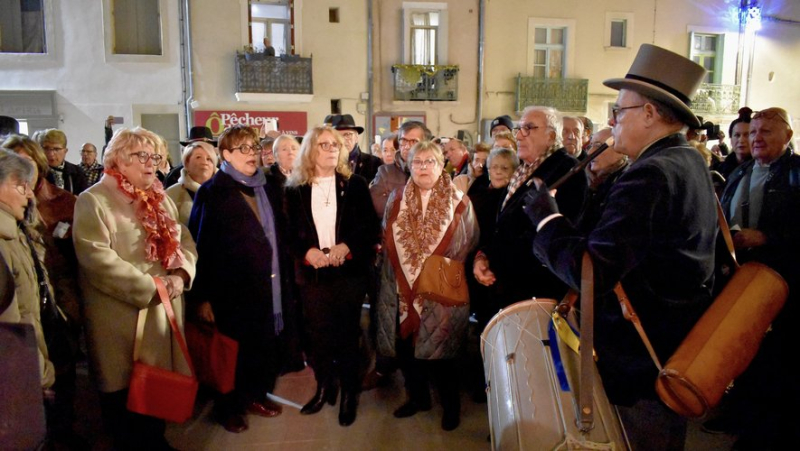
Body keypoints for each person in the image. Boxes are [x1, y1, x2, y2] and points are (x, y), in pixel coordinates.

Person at [523, 44, 716, 450]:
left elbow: (594, 272)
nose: (613, 122)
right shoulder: (687, 160)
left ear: (649, 113)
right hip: (672, 347)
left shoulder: (651, 174)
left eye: (619, 111)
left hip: (640, 364)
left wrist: (546, 220)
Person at [72, 127, 197, 450]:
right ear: (119, 159)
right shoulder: (94, 200)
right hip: (121, 320)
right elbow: (97, 259)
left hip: (162, 309)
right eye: (142, 155)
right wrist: (152, 286)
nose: (151, 163)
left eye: (155, 156)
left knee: (157, 388)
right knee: (125, 396)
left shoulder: (160, 198)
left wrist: (181, 275)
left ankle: (156, 441)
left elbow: (184, 241)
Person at [188, 124, 291, 433]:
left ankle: (256, 395)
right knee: (232, 352)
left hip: (267, 286)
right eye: (243, 149)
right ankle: (228, 407)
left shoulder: (267, 187)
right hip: (231, 291)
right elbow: (200, 246)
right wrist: (202, 297)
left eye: (254, 147)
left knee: (263, 346)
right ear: (225, 154)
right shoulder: (213, 192)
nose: (252, 154)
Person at [376, 140, 478, 431]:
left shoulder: (459, 201)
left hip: (440, 290)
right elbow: (387, 237)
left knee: (443, 354)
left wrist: (430, 269)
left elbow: (469, 242)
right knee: (408, 352)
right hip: (401, 290)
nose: (423, 167)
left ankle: (451, 408)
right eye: (417, 162)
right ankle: (418, 399)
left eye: (429, 162)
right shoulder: (397, 198)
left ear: (440, 165)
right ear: (409, 165)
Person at [284, 126, 380, 427]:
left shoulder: (355, 185)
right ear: (310, 150)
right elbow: (286, 233)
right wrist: (306, 252)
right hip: (312, 276)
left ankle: (350, 393)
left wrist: (347, 246)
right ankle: (325, 386)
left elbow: (369, 229)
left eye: (335, 145)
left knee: (348, 336)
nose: (330, 149)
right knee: (318, 337)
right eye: (323, 144)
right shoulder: (293, 188)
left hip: (348, 274)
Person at [716, 107, 800, 448]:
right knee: (742, 345)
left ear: (788, 136)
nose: (756, 138)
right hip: (740, 274)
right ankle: (740, 413)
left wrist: (766, 238)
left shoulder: (796, 174)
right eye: (752, 133)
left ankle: (767, 428)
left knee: (774, 356)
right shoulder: (742, 171)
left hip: (781, 279)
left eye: (765, 132)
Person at [472, 105, 586, 310]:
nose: (520, 136)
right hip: (504, 286)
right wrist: (484, 255)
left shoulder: (566, 171)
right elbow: (503, 224)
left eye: (529, 128)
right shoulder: (524, 168)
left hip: (534, 293)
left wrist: (497, 261)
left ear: (551, 136)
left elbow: (552, 233)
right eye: (519, 129)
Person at [0, 149, 56, 412]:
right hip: (18, 373)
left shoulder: (14, 231)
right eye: (21, 185)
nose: (29, 194)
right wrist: (38, 373)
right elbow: (10, 323)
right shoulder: (3, 240)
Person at [370, 121, 433, 218]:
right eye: (403, 141)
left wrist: (393, 199)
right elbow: (377, 204)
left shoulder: (435, 172)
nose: (407, 147)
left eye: (414, 142)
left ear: (425, 145)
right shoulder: (385, 172)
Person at [574, 127, 629, 233]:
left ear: (621, 150)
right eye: (590, 146)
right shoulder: (583, 179)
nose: (590, 152)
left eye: (599, 146)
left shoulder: (625, 184)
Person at [166, 141, 218, 226]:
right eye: (198, 157)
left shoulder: (226, 192)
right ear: (186, 163)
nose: (204, 162)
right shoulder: (172, 194)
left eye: (209, 159)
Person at [326, 114, 383, 184]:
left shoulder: (374, 163)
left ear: (356, 138)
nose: (343, 140)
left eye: (348, 135)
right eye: (338, 136)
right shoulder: (328, 163)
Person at [37, 129, 89, 195]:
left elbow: (84, 198)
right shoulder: (36, 172)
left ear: (65, 151)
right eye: (46, 148)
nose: (51, 154)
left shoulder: (77, 172)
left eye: (56, 149)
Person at [713, 107, 753, 180]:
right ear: (731, 139)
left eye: (747, 135)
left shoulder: (760, 169)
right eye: (737, 135)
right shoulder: (720, 169)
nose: (741, 140)